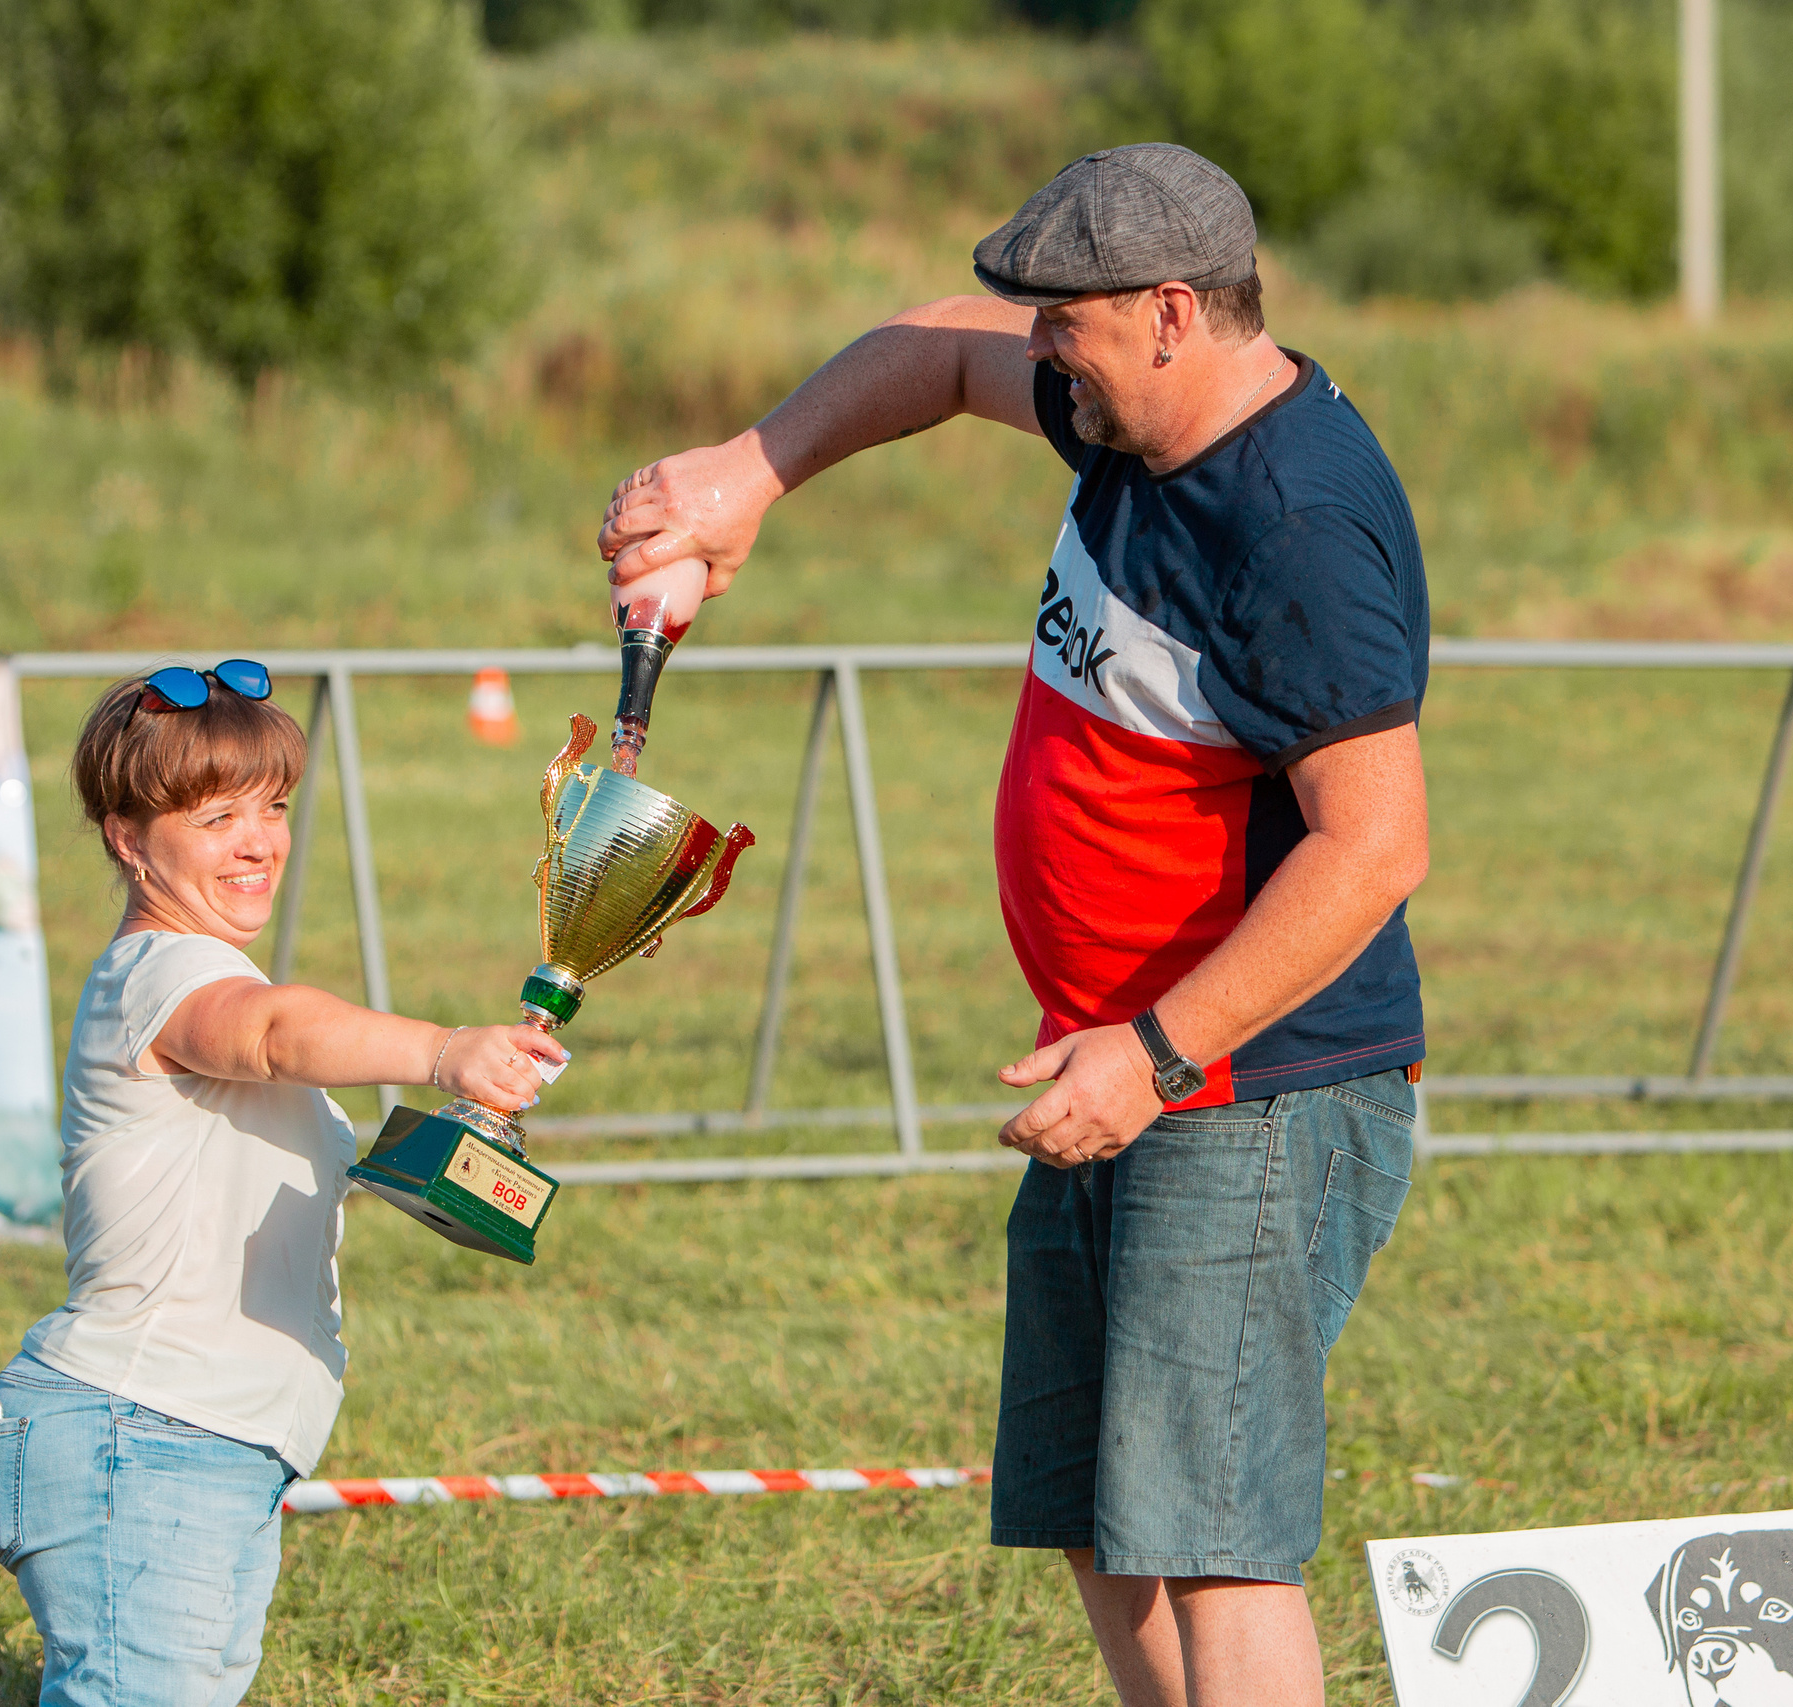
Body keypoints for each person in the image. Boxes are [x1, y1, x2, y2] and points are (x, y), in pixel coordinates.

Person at [595, 144, 1430, 1707]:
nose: (1040, 348)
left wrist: (1160, 1053)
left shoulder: (1294, 526)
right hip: (1105, 1060)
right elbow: (930, 346)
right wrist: (745, 476)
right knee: (1095, 1511)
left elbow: (1377, 846)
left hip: (1249, 1082)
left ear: (1174, 312)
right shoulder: (1138, 417)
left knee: (1215, 1534)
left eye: (1069, 324)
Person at [0, 662, 565, 1707]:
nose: (257, 842)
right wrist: (439, 1049)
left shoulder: (196, 966)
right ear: (124, 837)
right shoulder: (163, 972)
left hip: (199, 1438)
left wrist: (472, 1113)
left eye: (273, 807)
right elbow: (277, 1032)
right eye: (215, 818)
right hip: (141, 1429)